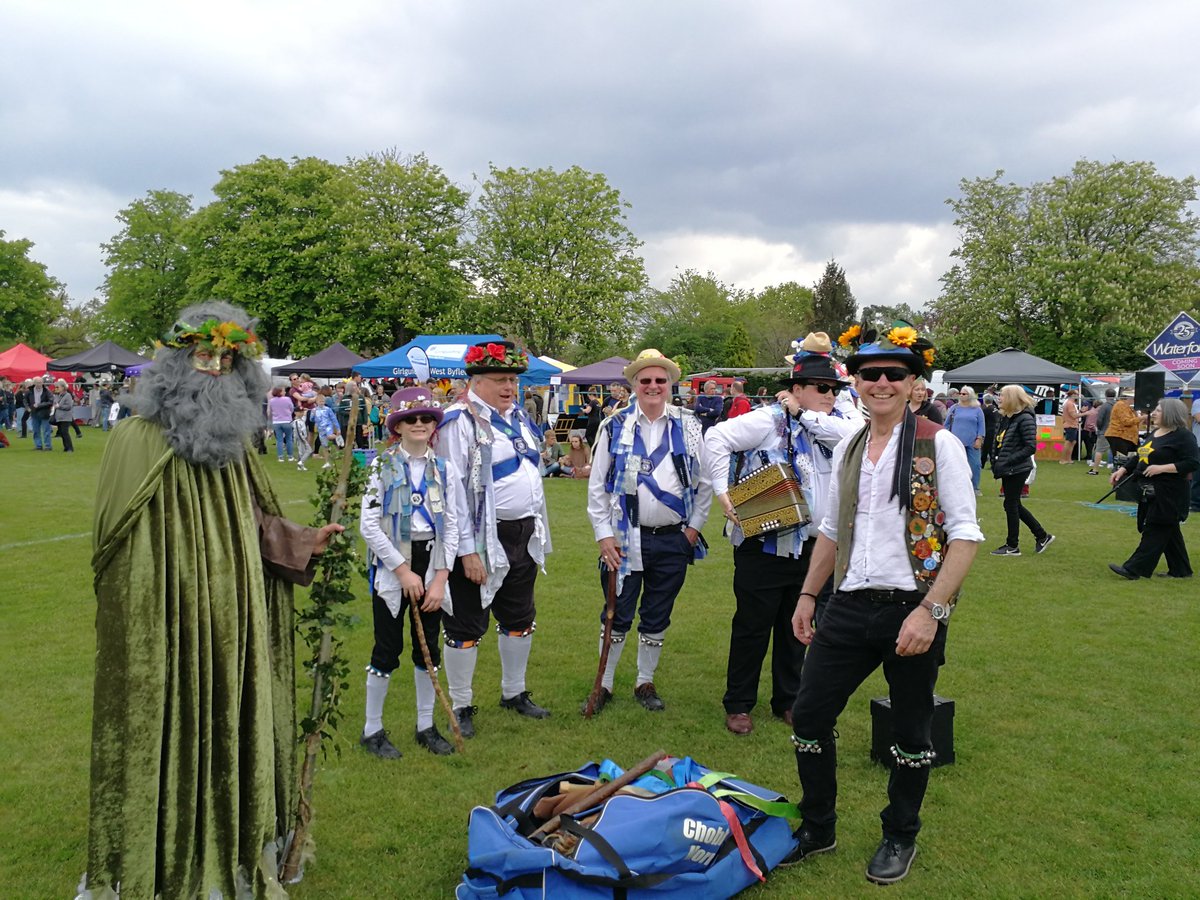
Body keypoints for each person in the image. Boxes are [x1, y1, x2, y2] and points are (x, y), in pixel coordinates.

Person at [79, 301, 343, 899]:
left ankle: (235, 839)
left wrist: (304, 539)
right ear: (174, 363)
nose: (215, 369)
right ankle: (160, 850)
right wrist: (155, 605)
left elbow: (254, 522)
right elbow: (115, 545)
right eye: (204, 355)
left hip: (235, 618)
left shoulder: (235, 446)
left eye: (228, 359)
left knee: (232, 716)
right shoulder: (132, 439)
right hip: (165, 619)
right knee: (167, 722)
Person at [786, 322, 983, 885]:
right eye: (870, 374)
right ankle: (818, 826)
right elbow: (830, 528)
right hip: (848, 603)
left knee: (912, 732)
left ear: (914, 382)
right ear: (854, 381)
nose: (881, 383)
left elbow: (966, 536)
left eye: (894, 375)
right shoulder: (850, 444)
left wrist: (932, 611)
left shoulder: (937, 443)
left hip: (913, 605)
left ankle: (900, 834)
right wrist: (807, 593)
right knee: (809, 715)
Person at [705, 332, 861, 736]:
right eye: (821, 388)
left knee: (799, 626)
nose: (830, 394)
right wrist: (724, 492)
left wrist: (806, 414)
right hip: (764, 542)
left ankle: (788, 700)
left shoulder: (837, 425)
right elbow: (717, 437)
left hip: (814, 546)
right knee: (752, 627)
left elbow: (854, 433)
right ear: (796, 388)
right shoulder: (766, 420)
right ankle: (738, 703)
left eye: (834, 388)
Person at [437, 340, 553, 738]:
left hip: (524, 530)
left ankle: (514, 692)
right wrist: (467, 551)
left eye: (513, 380)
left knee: (520, 617)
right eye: (501, 380)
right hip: (481, 537)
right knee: (467, 623)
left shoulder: (518, 417)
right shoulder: (458, 421)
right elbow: (451, 495)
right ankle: (462, 704)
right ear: (476, 382)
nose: (510, 387)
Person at [586, 349, 712, 713]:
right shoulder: (614, 426)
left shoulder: (689, 426)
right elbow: (597, 488)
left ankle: (644, 681)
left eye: (660, 380)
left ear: (670, 385)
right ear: (634, 386)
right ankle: (604, 684)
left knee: (657, 613)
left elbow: (704, 484)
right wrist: (604, 535)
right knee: (617, 612)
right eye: (646, 381)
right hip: (624, 538)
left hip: (673, 537)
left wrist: (693, 530)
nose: (653, 386)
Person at [359, 387, 463, 757]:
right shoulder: (381, 466)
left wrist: (440, 578)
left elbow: (452, 525)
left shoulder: (444, 469)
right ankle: (372, 730)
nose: (419, 424)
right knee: (387, 648)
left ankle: (425, 725)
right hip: (393, 565)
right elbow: (369, 525)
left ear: (433, 426)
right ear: (398, 427)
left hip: (432, 563)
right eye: (411, 419)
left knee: (428, 648)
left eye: (426, 419)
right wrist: (402, 571)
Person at [1107, 398, 1198, 579]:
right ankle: (1181, 570)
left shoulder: (1184, 436)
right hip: (1151, 490)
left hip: (1171, 493)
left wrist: (1162, 468)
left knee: (1156, 528)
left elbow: (1192, 463)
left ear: (1171, 414)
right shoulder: (1156, 433)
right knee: (1169, 529)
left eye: (1158, 410)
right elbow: (1142, 455)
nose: (1154, 413)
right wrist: (1123, 469)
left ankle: (1134, 569)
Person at [990, 385, 1054, 556]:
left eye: (1002, 396)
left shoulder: (1024, 418)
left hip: (1017, 467)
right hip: (1006, 467)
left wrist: (1008, 461)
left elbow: (1030, 447)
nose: (999, 398)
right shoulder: (1006, 417)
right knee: (1013, 503)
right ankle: (1041, 535)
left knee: (1010, 504)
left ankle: (1012, 545)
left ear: (1011, 397)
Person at [945, 386, 985, 493]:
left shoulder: (977, 409)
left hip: (972, 442)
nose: (961, 395)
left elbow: (981, 425)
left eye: (964, 394)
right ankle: (956, 487)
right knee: (956, 465)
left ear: (970, 395)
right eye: (960, 393)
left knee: (975, 465)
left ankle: (975, 487)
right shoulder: (954, 408)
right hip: (956, 442)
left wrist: (979, 439)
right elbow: (946, 424)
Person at [1104, 391, 1140, 458]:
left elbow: (1134, 422)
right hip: (1119, 435)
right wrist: (1141, 418)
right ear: (1129, 398)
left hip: (1128, 437)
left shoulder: (1128, 407)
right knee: (1121, 459)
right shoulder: (1121, 405)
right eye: (1134, 399)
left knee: (1131, 458)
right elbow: (1126, 422)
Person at [311, 393, 343, 469]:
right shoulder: (314, 410)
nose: (321, 403)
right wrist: (313, 415)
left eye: (323, 401)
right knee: (324, 446)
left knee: (329, 436)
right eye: (320, 401)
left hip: (328, 426)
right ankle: (327, 462)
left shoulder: (328, 409)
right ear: (316, 402)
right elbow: (311, 420)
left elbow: (333, 419)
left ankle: (337, 437)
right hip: (320, 429)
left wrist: (338, 428)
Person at [1090, 387, 1117, 474]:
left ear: (1105, 395)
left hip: (1105, 431)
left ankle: (1095, 470)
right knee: (1115, 451)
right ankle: (1115, 469)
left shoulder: (1104, 406)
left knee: (1099, 450)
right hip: (1116, 431)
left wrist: (1100, 428)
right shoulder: (1117, 405)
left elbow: (1099, 420)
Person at [26, 375, 55, 450]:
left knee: (46, 430)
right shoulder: (29, 391)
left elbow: (51, 401)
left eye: (40, 382)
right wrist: (28, 407)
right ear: (34, 383)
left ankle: (48, 446)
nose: (39, 384)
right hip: (34, 413)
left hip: (44, 412)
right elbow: (25, 400)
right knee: (35, 430)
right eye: (37, 382)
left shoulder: (47, 391)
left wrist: (39, 405)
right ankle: (38, 446)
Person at [268, 386, 296, 461]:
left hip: (276, 422)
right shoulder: (287, 399)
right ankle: (290, 456)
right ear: (280, 392)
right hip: (287, 421)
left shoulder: (271, 401)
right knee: (289, 439)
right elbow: (292, 408)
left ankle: (280, 457)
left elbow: (270, 411)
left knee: (279, 440)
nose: (285, 392)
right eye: (283, 391)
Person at [52, 378, 75, 452]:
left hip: (65, 417)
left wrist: (59, 406)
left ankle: (70, 448)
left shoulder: (67, 395)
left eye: (58, 387)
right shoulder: (58, 395)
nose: (56, 388)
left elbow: (69, 406)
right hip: (59, 417)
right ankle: (66, 447)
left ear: (63, 387)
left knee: (65, 432)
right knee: (62, 433)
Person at [1060, 389, 1081, 463]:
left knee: (1073, 442)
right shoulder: (1069, 403)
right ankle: (1063, 459)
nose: (1078, 396)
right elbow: (1074, 415)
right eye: (1077, 394)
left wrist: (1081, 411)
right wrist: (1085, 413)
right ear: (1073, 395)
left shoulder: (1072, 403)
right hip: (1070, 425)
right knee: (1068, 442)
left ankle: (1068, 459)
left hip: (1073, 425)